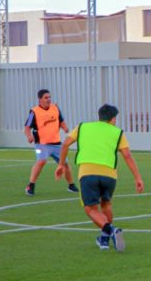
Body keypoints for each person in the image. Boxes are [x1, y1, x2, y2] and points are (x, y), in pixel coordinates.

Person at [56, 104, 144, 252]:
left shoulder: (82, 127)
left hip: (88, 173)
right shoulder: (118, 132)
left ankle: (111, 230)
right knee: (106, 205)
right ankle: (104, 239)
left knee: (90, 209)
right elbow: (127, 155)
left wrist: (60, 165)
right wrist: (138, 178)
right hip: (109, 175)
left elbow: (65, 144)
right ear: (113, 118)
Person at [24, 89, 78, 196]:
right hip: (42, 144)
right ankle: (31, 185)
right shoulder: (34, 111)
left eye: (49, 97)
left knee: (65, 164)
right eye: (46, 97)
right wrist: (29, 136)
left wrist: (65, 128)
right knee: (41, 161)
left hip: (57, 144)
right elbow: (27, 127)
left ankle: (71, 185)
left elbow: (61, 120)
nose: (49, 99)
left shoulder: (55, 108)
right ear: (40, 99)